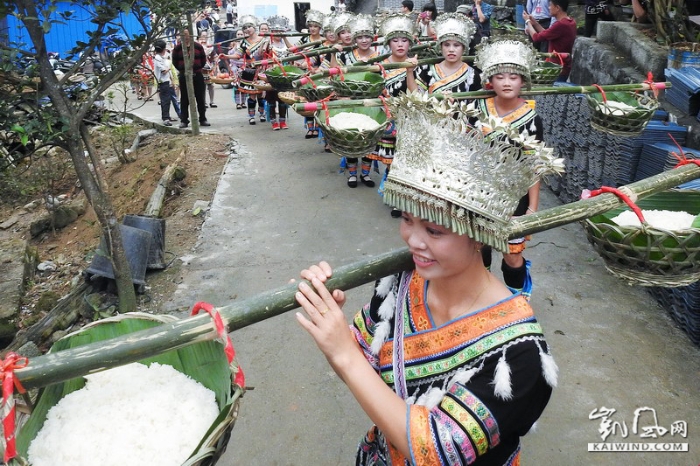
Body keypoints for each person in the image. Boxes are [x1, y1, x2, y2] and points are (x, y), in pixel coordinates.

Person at [294, 91, 560, 465]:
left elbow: (438, 451)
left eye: (434, 230)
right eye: (406, 219)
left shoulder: (519, 354)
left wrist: (343, 352)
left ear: (478, 235)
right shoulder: (398, 284)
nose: (413, 241)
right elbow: (362, 372)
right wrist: (333, 329)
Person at [473, 39, 542, 292]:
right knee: (478, 249)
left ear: (523, 81)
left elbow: (534, 163)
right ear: (490, 80)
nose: (506, 82)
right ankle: (483, 298)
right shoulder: (476, 108)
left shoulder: (531, 118)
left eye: (513, 77)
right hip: (477, 194)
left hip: (515, 196)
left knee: (512, 254)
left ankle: (518, 300)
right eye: (500, 76)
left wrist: (533, 208)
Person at [371, 13, 418, 213]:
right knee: (392, 162)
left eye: (404, 40)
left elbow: (416, 95)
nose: (400, 44)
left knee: (407, 161)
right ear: (389, 43)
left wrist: (410, 71)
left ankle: (403, 198)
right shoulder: (379, 66)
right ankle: (394, 194)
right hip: (388, 119)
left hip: (410, 119)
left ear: (410, 43)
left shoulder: (417, 64)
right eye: (395, 40)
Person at [332, 14, 380, 188]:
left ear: (373, 38)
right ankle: (352, 174)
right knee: (351, 137)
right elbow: (335, 74)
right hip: (350, 101)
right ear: (355, 39)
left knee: (369, 137)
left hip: (372, 102)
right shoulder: (346, 56)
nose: (364, 40)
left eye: (367, 36)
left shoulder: (380, 55)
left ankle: (365, 174)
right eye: (360, 37)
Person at [414, 13, 481, 95]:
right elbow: (416, 97)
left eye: (456, 45)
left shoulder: (473, 75)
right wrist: (410, 71)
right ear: (440, 47)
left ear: (464, 48)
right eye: (446, 45)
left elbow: (476, 104)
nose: (451, 50)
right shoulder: (426, 70)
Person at [222, 15, 269, 125]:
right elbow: (238, 55)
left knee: (261, 94)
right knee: (252, 94)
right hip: (249, 71)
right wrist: (227, 56)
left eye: (249, 26)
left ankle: (262, 113)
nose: (247, 29)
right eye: (245, 27)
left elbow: (264, 54)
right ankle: (251, 116)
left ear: (254, 27)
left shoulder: (263, 40)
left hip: (261, 70)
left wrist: (265, 44)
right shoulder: (243, 42)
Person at [523, 0, 576, 82]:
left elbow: (536, 37)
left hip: (558, 68)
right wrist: (535, 23)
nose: (548, 8)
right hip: (563, 65)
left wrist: (528, 22)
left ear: (557, 8)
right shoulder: (570, 21)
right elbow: (546, 33)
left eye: (550, 5)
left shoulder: (561, 25)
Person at [171, 30, 210, 128]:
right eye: (183, 35)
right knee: (184, 98)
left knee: (200, 98)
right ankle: (184, 120)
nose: (185, 37)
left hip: (197, 74)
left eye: (187, 35)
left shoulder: (197, 46)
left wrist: (196, 68)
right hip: (184, 75)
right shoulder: (178, 48)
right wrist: (183, 69)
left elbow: (203, 60)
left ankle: (202, 119)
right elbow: (175, 61)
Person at [297, 9, 325, 139]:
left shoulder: (324, 41)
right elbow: (294, 49)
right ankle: (310, 128)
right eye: (311, 26)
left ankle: (319, 128)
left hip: (320, 73)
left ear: (320, 28)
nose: (313, 29)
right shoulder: (304, 39)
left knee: (320, 100)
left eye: (316, 26)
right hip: (306, 73)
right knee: (308, 100)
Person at [265, 16, 294, 130]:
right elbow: (259, 52)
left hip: (284, 74)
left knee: (283, 99)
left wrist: (285, 38)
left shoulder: (285, 44)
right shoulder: (269, 43)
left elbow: (294, 50)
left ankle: (283, 121)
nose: (277, 33)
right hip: (272, 74)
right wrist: (266, 42)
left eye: (280, 31)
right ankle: (273, 121)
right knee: (271, 100)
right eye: (275, 31)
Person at [153, 39, 181, 126]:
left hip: (167, 81)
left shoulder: (162, 58)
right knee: (165, 100)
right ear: (163, 49)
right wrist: (171, 67)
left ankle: (170, 116)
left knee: (172, 99)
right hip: (163, 81)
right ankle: (165, 118)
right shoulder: (158, 58)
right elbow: (164, 71)